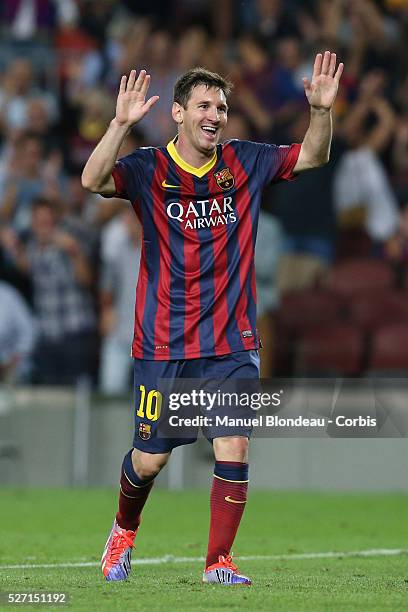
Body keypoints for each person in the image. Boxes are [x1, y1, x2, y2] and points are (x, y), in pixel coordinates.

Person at [82, 52, 343, 585]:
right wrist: (120, 125)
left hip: (231, 339)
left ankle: (217, 561)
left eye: (221, 107)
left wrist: (320, 112)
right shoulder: (149, 168)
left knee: (234, 442)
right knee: (149, 460)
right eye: (203, 105)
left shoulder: (245, 161)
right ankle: (123, 531)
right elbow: (92, 180)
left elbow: (313, 157)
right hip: (164, 343)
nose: (215, 115)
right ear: (178, 113)